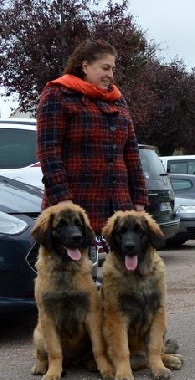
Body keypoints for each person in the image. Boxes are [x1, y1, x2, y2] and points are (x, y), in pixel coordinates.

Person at [37, 38, 147, 235]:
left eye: (112, 69)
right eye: (105, 68)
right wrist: (63, 200)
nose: (110, 75)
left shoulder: (118, 100)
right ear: (85, 66)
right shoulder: (57, 94)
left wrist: (139, 199)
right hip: (75, 203)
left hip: (120, 205)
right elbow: (49, 153)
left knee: (121, 266)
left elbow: (131, 153)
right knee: (73, 265)